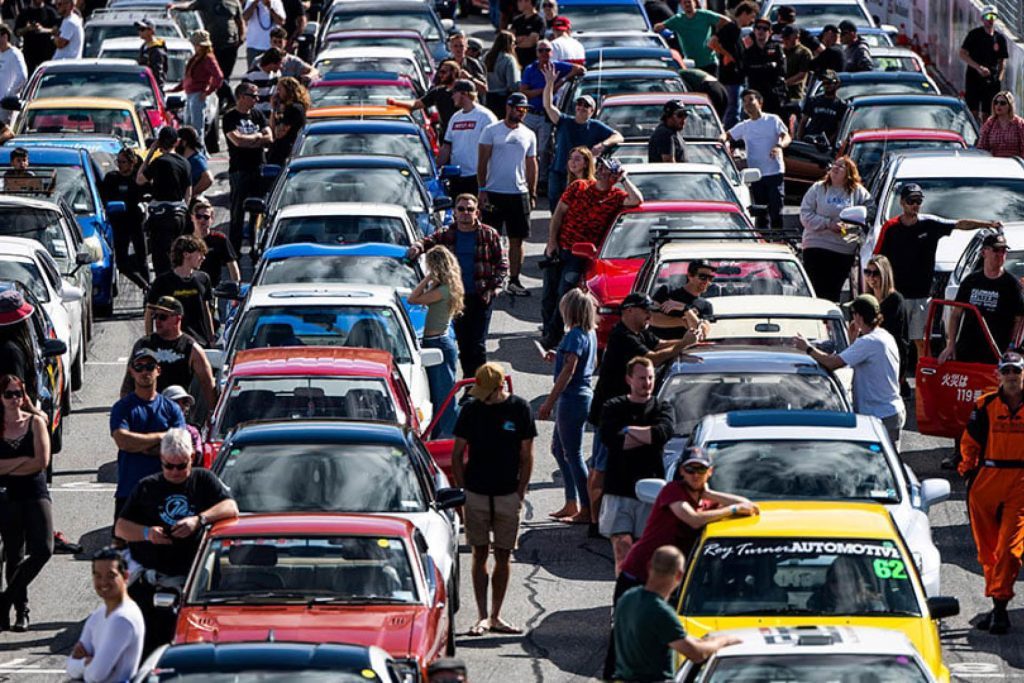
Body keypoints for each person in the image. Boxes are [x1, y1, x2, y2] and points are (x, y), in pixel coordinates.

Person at [603, 451, 756, 678]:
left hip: (671, 577)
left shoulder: (706, 500)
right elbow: (692, 519)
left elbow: (749, 505)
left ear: (710, 471)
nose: (695, 475)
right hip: (638, 573)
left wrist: (710, 493)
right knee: (626, 634)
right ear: (682, 471)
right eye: (690, 469)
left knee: (660, 636)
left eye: (701, 470)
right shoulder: (673, 491)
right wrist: (730, 510)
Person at [114, 428, 238, 654]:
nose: (174, 471)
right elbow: (121, 528)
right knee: (146, 646)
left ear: (191, 458)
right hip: (153, 579)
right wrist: (147, 533)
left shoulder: (203, 480)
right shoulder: (147, 486)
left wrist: (198, 520)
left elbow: (230, 507)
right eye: (168, 466)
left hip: (194, 580)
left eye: (181, 466)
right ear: (161, 460)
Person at [588, 294, 697, 537]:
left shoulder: (640, 332)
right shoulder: (622, 337)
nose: (650, 315)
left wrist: (686, 342)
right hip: (610, 412)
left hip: (630, 411)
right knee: (601, 467)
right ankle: (594, 520)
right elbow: (650, 359)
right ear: (628, 311)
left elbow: (657, 345)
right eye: (645, 310)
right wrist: (682, 345)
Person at [451, 362, 535, 637]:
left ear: (500, 387)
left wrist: (521, 490)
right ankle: (481, 616)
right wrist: (463, 491)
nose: (482, 397)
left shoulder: (519, 409)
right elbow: (457, 453)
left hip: (507, 493)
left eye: (486, 391)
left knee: (503, 554)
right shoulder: (472, 409)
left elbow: (527, 453)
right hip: (476, 492)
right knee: (478, 553)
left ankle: (496, 616)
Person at [875, 183, 1001, 364]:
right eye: (911, 201)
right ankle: (896, 378)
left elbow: (959, 224)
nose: (915, 205)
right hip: (896, 295)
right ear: (902, 203)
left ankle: (921, 381)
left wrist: (987, 224)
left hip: (921, 294)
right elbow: (878, 260)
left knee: (921, 342)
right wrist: (879, 291)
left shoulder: (930, 224)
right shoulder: (891, 227)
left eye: (918, 201)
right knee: (892, 340)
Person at [542, 157, 640, 348]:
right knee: (548, 294)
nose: (601, 171)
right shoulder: (579, 187)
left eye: (606, 170)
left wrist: (624, 179)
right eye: (601, 167)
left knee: (565, 293)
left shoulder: (616, 196)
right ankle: (548, 331)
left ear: (613, 176)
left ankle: (553, 337)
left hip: (580, 254)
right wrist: (552, 241)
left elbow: (637, 199)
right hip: (560, 248)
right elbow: (559, 214)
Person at [406, 194, 508, 377]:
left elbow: (502, 264)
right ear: (454, 212)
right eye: (461, 209)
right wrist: (417, 247)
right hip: (455, 297)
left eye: (470, 210)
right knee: (462, 342)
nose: (465, 213)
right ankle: (470, 383)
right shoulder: (447, 233)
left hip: (480, 295)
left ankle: (479, 386)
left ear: (477, 213)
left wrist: (495, 288)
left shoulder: (489, 234)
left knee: (477, 344)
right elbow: (426, 242)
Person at [959, 350, 1024, 635]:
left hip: (1020, 482)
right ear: (999, 375)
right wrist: (968, 472)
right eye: (1007, 371)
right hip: (987, 480)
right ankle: (996, 602)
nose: (1011, 376)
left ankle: (999, 606)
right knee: (987, 550)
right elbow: (970, 441)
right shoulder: (985, 405)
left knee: (1010, 549)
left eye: (1016, 371)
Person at [612, 546, 741, 681]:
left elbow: (674, 635)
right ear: (679, 575)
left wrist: (704, 641)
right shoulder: (660, 611)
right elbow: (696, 653)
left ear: (649, 566)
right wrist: (724, 640)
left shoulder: (628, 598)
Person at [795, 293, 905, 450]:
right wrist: (853, 340)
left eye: (853, 314)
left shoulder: (868, 342)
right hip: (889, 411)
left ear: (859, 317)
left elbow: (833, 363)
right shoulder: (883, 336)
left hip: (880, 415)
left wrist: (807, 347)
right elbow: (857, 360)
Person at [598, 356, 674, 571]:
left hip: (650, 491)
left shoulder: (662, 408)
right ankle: (623, 598)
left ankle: (640, 599)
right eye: (641, 378)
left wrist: (629, 430)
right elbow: (611, 439)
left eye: (650, 378)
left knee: (646, 555)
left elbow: (662, 433)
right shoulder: (613, 407)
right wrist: (645, 436)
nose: (647, 383)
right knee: (622, 547)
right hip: (619, 489)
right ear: (629, 379)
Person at [538, 289, 597, 524]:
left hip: (572, 398)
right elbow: (580, 362)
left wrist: (548, 402)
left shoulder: (574, 335)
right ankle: (572, 501)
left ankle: (585, 507)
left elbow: (569, 370)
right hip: (580, 397)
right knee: (559, 450)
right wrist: (558, 356)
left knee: (572, 453)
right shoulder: (588, 334)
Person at [0, 374, 52, 633]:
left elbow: (41, 462)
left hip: (34, 491)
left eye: (18, 394)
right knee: (13, 554)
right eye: (8, 394)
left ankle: (4, 599)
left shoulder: (35, 422)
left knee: (44, 549)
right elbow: (30, 461)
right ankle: (21, 611)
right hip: (7, 496)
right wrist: (24, 460)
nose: (14, 399)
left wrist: (7, 468)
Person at [110, 347, 186, 519]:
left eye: (149, 366)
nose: (144, 371)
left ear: (158, 370)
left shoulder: (171, 408)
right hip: (129, 491)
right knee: (122, 543)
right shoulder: (122, 408)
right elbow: (123, 441)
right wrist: (162, 437)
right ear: (131, 371)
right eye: (139, 367)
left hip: (166, 493)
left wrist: (139, 446)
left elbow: (177, 447)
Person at [478, 92, 538, 297]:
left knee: (517, 239)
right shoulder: (491, 131)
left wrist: (532, 192)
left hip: (518, 192)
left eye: (524, 110)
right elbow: (482, 161)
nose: (521, 113)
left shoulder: (529, 134)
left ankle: (514, 280)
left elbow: (532, 164)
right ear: (508, 107)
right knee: (491, 238)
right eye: (518, 109)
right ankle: (491, 277)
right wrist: (482, 189)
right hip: (494, 191)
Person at [540, 62, 622, 205]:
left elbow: (618, 136)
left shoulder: (596, 126)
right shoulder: (564, 121)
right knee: (555, 204)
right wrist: (549, 83)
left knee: (574, 205)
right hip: (558, 171)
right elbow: (548, 105)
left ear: (593, 111)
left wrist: (602, 145)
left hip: (579, 175)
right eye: (579, 104)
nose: (581, 107)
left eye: (586, 106)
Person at [941, 232, 1024, 365]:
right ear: (984, 252)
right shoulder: (971, 281)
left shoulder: (1012, 285)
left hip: (996, 353)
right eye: (996, 250)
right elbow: (956, 314)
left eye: (1003, 251)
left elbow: (1019, 320)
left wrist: (1012, 347)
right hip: (967, 350)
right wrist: (951, 345)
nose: (1000, 255)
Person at [408, 246, 464, 438]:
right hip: (436, 342)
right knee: (436, 397)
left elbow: (413, 298)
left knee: (445, 398)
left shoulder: (442, 291)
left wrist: (426, 278)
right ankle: (438, 435)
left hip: (438, 343)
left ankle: (453, 437)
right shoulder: (445, 288)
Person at [122, 296, 216, 410]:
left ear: (177, 319)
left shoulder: (191, 348)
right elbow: (128, 382)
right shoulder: (143, 344)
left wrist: (212, 414)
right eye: (155, 316)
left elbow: (208, 384)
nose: (157, 321)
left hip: (176, 411)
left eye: (163, 317)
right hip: (146, 411)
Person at [65, 548, 145, 682]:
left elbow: (96, 676)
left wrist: (83, 662)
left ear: (125, 576)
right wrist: (87, 662)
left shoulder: (123, 619)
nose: (103, 582)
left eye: (111, 575)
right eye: (98, 576)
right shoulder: (99, 614)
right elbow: (70, 668)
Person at [799, 155, 872, 301]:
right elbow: (805, 215)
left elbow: (868, 213)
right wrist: (828, 224)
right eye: (834, 165)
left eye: (841, 166)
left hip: (842, 249)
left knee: (832, 292)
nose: (835, 168)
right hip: (816, 245)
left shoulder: (857, 192)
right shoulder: (818, 188)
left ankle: (830, 322)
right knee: (815, 291)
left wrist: (849, 226)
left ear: (849, 173)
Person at [518, 41, 585, 184]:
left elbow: (580, 69)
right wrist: (547, 89)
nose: (544, 53)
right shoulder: (530, 69)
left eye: (547, 50)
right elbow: (524, 92)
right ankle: (526, 177)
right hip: (530, 113)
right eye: (541, 50)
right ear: (536, 53)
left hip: (545, 115)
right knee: (526, 148)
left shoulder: (557, 66)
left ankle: (541, 180)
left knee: (543, 150)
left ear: (552, 52)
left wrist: (565, 78)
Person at [728, 89, 790, 230]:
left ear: (760, 102)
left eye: (751, 100)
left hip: (774, 172)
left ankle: (778, 239)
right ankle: (764, 241)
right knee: (761, 213)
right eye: (744, 102)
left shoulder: (773, 119)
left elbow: (786, 136)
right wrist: (725, 144)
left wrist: (779, 146)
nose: (748, 104)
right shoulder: (745, 125)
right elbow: (727, 135)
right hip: (756, 175)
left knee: (776, 211)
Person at [223, 81, 272, 255]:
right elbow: (237, 141)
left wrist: (252, 139)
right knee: (237, 213)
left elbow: (269, 137)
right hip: (239, 170)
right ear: (242, 97)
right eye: (253, 96)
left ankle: (254, 248)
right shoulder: (230, 118)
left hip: (258, 168)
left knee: (256, 213)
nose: (257, 99)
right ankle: (233, 252)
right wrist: (257, 138)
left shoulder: (258, 115)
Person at [136, 127, 192, 276]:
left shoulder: (159, 162)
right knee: (178, 256)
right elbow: (188, 192)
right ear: (177, 142)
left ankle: (164, 289)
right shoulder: (185, 163)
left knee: (161, 260)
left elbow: (140, 179)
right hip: (179, 216)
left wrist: (150, 154)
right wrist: (183, 209)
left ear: (159, 143)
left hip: (161, 216)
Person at [176, 0, 244, 115]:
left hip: (230, 44)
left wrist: (241, 37)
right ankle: (231, 100)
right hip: (213, 45)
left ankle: (221, 102)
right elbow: (189, 6)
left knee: (225, 76)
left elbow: (239, 21)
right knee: (217, 76)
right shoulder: (206, 1)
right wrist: (175, 6)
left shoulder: (234, 2)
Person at [146, 235, 215, 348]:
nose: (203, 258)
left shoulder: (203, 278)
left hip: (200, 343)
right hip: (170, 344)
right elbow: (150, 312)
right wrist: (149, 340)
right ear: (186, 254)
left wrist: (211, 338)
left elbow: (206, 309)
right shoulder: (163, 281)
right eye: (200, 253)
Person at [100, 147, 149, 293]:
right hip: (119, 224)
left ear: (132, 162)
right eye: (118, 161)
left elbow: (149, 195)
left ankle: (149, 294)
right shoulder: (112, 178)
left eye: (123, 161)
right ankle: (145, 285)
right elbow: (104, 198)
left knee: (142, 259)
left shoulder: (139, 179)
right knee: (121, 262)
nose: (120, 164)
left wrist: (144, 204)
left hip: (137, 223)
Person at [440, 80, 497, 198]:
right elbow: (447, 146)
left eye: (454, 93)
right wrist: (436, 167)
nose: (452, 96)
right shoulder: (455, 118)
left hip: (477, 177)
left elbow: (494, 146)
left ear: (464, 94)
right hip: (457, 175)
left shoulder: (485, 116)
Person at [864, 255, 909, 396]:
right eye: (867, 272)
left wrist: (901, 371)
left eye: (876, 273)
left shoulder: (895, 300)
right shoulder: (868, 299)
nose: (871, 277)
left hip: (889, 359)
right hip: (870, 359)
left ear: (884, 274)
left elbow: (898, 338)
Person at [708, 0, 756, 129]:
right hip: (730, 77)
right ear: (744, 13)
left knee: (736, 108)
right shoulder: (731, 27)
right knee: (732, 109)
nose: (752, 20)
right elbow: (712, 43)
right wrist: (727, 55)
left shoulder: (738, 30)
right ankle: (731, 135)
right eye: (751, 16)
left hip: (738, 76)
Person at [653, 0, 728, 74]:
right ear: (681, 5)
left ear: (694, 3)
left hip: (709, 62)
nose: (687, 4)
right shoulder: (678, 19)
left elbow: (726, 21)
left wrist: (717, 37)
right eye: (684, 2)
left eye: (689, 2)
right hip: (691, 64)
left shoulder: (704, 15)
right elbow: (658, 27)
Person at [388, 60, 461, 136]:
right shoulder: (438, 92)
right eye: (439, 72)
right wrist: (395, 102)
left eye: (443, 72)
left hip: (463, 135)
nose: (440, 75)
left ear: (454, 73)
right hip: (446, 137)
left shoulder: (464, 91)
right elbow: (416, 104)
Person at [960, 5, 1007, 122]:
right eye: (988, 16)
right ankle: (975, 135)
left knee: (988, 113)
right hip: (974, 78)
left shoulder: (999, 38)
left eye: (993, 17)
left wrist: (998, 80)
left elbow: (1002, 61)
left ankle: (986, 137)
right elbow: (962, 53)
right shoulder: (974, 35)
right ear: (982, 19)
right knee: (973, 111)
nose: (991, 19)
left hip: (991, 81)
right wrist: (977, 67)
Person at [651, 258, 716, 340]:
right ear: (690, 276)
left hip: (687, 349)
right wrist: (684, 322)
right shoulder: (667, 291)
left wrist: (686, 309)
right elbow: (651, 318)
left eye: (710, 278)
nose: (707, 282)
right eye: (703, 277)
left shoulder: (706, 305)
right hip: (661, 347)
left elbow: (703, 333)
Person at [176, 30, 223, 136]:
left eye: (196, 44)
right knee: (188, 125)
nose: (195, 46)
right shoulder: (196, 57)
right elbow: (187, 77)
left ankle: (199, 149)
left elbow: (219, 76)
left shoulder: (208, 58)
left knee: (196, 128)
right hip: (190, 94)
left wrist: (207, 91)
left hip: (198, 94)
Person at [189, 197, 240, 289]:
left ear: (212, 219)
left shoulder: (220, 239)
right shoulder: (186, 241)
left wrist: (236, 288)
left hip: (213, 289)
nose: (202, 220)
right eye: (198, 216)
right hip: (191, 289)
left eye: (206, 217)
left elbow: (232, 266)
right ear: (192, 218)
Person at [806, 556, 886, 613]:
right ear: (828, 583)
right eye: (835, 580)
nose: (842, 584)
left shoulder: (873, 606)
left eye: (848, 578)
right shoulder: (816, 603)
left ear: (857, 581)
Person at [741, 18, 787, 115]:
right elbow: (746, 70)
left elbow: (781, 70)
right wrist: (768, 67)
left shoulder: (776, 48)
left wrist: (759, 69)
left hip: (774, 93)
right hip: (756, 92)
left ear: (770, 32)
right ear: (754, 30)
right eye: (758, 28)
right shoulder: (749, 52)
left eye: (765, 29)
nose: (761, 31)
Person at [266, 76, 308, 166]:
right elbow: (272, 126)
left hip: (286, 151)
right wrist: (273, 109)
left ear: (288, 90)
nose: (277, 93)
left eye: (280, 90)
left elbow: (278, 133)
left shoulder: (294, 108)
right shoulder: (286, 108)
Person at [797, 70, 846, 143]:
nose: (826, 86)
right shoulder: (813, 101)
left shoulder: (841, 105)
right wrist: (799, 139)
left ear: (837, 84)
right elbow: (803, 121)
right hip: (810, 141)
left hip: (828, 145)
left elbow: (839, 129)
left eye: (829, 83)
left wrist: (828, 142)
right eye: (824, 83)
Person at [15, 0, 60, 73]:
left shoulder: (50, 11)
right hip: (29, 53)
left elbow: (57, 30)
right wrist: (27, 28)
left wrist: (43, 30)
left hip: (46, 52)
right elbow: (17, 32)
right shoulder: (25, 12)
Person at [977, 90, 1024, 158]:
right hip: (996, 164)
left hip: (1014, 164)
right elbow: (982, 147)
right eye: (996, 102)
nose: (998, 105)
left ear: (1010, 105)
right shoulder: (990, 123)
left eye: (1002, 103)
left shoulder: (1019, 123)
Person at [484, 31, 521, 115]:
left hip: (488, 98)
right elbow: (512, 85)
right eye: (514, 42)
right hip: (503, 99)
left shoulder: (487, 56)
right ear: (509, 44)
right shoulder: (509, 59)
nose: (515, 45)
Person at [161, 385, 202, 459]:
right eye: (175, 403)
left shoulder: (192, 433)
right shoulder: (154, 428)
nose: (181, 407)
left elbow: (197, 456)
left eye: (185, 403)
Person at [242, 0, 284, 66]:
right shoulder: (250, 1)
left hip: (271, 47)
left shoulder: (276, 2)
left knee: (272, 74)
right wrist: (255, 3)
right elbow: (245, 17)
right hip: (253, 46)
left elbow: (281, 22)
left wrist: (270, 8)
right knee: (253, 73)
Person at [242, 47, 282, 117]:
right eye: (279, 64)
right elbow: (245, 98)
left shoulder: (277, 75)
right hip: (256, 114)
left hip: (271, 113)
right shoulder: (250, 76)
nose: (281, 66)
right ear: (271, 63)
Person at [781, 25, 812, 113]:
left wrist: (784, 84)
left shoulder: (804, 53)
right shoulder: (781, 51)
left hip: (795, 95)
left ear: (796, 37)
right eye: (783, 38)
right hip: (781, 96)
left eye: (788, 38)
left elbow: (802, 75)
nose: (785, 41)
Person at [176, 126, 214, 197]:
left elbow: (208, 179)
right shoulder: (185, 158)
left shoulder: (196, 159)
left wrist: (191, 193)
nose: (175, 145)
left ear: (184, 142)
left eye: (177, 141)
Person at [0, 26, 26, 124]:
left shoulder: (15, 54)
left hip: (6, 105)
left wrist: (9, 94)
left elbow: (22, 76)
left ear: (5, 37)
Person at [135, 19, 168, 92]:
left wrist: (158, 90)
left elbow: (158, 72)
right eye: (139, 29)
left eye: (142, 29)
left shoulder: (157, 50)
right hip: (143, 86)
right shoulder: (144, 47)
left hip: (152, 89)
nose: (139, 31)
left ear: (151, 31)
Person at [510, 0, 544, 66]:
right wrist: (523, 38)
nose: (517, 3)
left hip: (532, 61)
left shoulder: (539, 21)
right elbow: (509, 39)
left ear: (529, 2)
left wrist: (515, 43)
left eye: (520, 1)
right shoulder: (517, 20)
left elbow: (531, 42)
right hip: (517, 60)